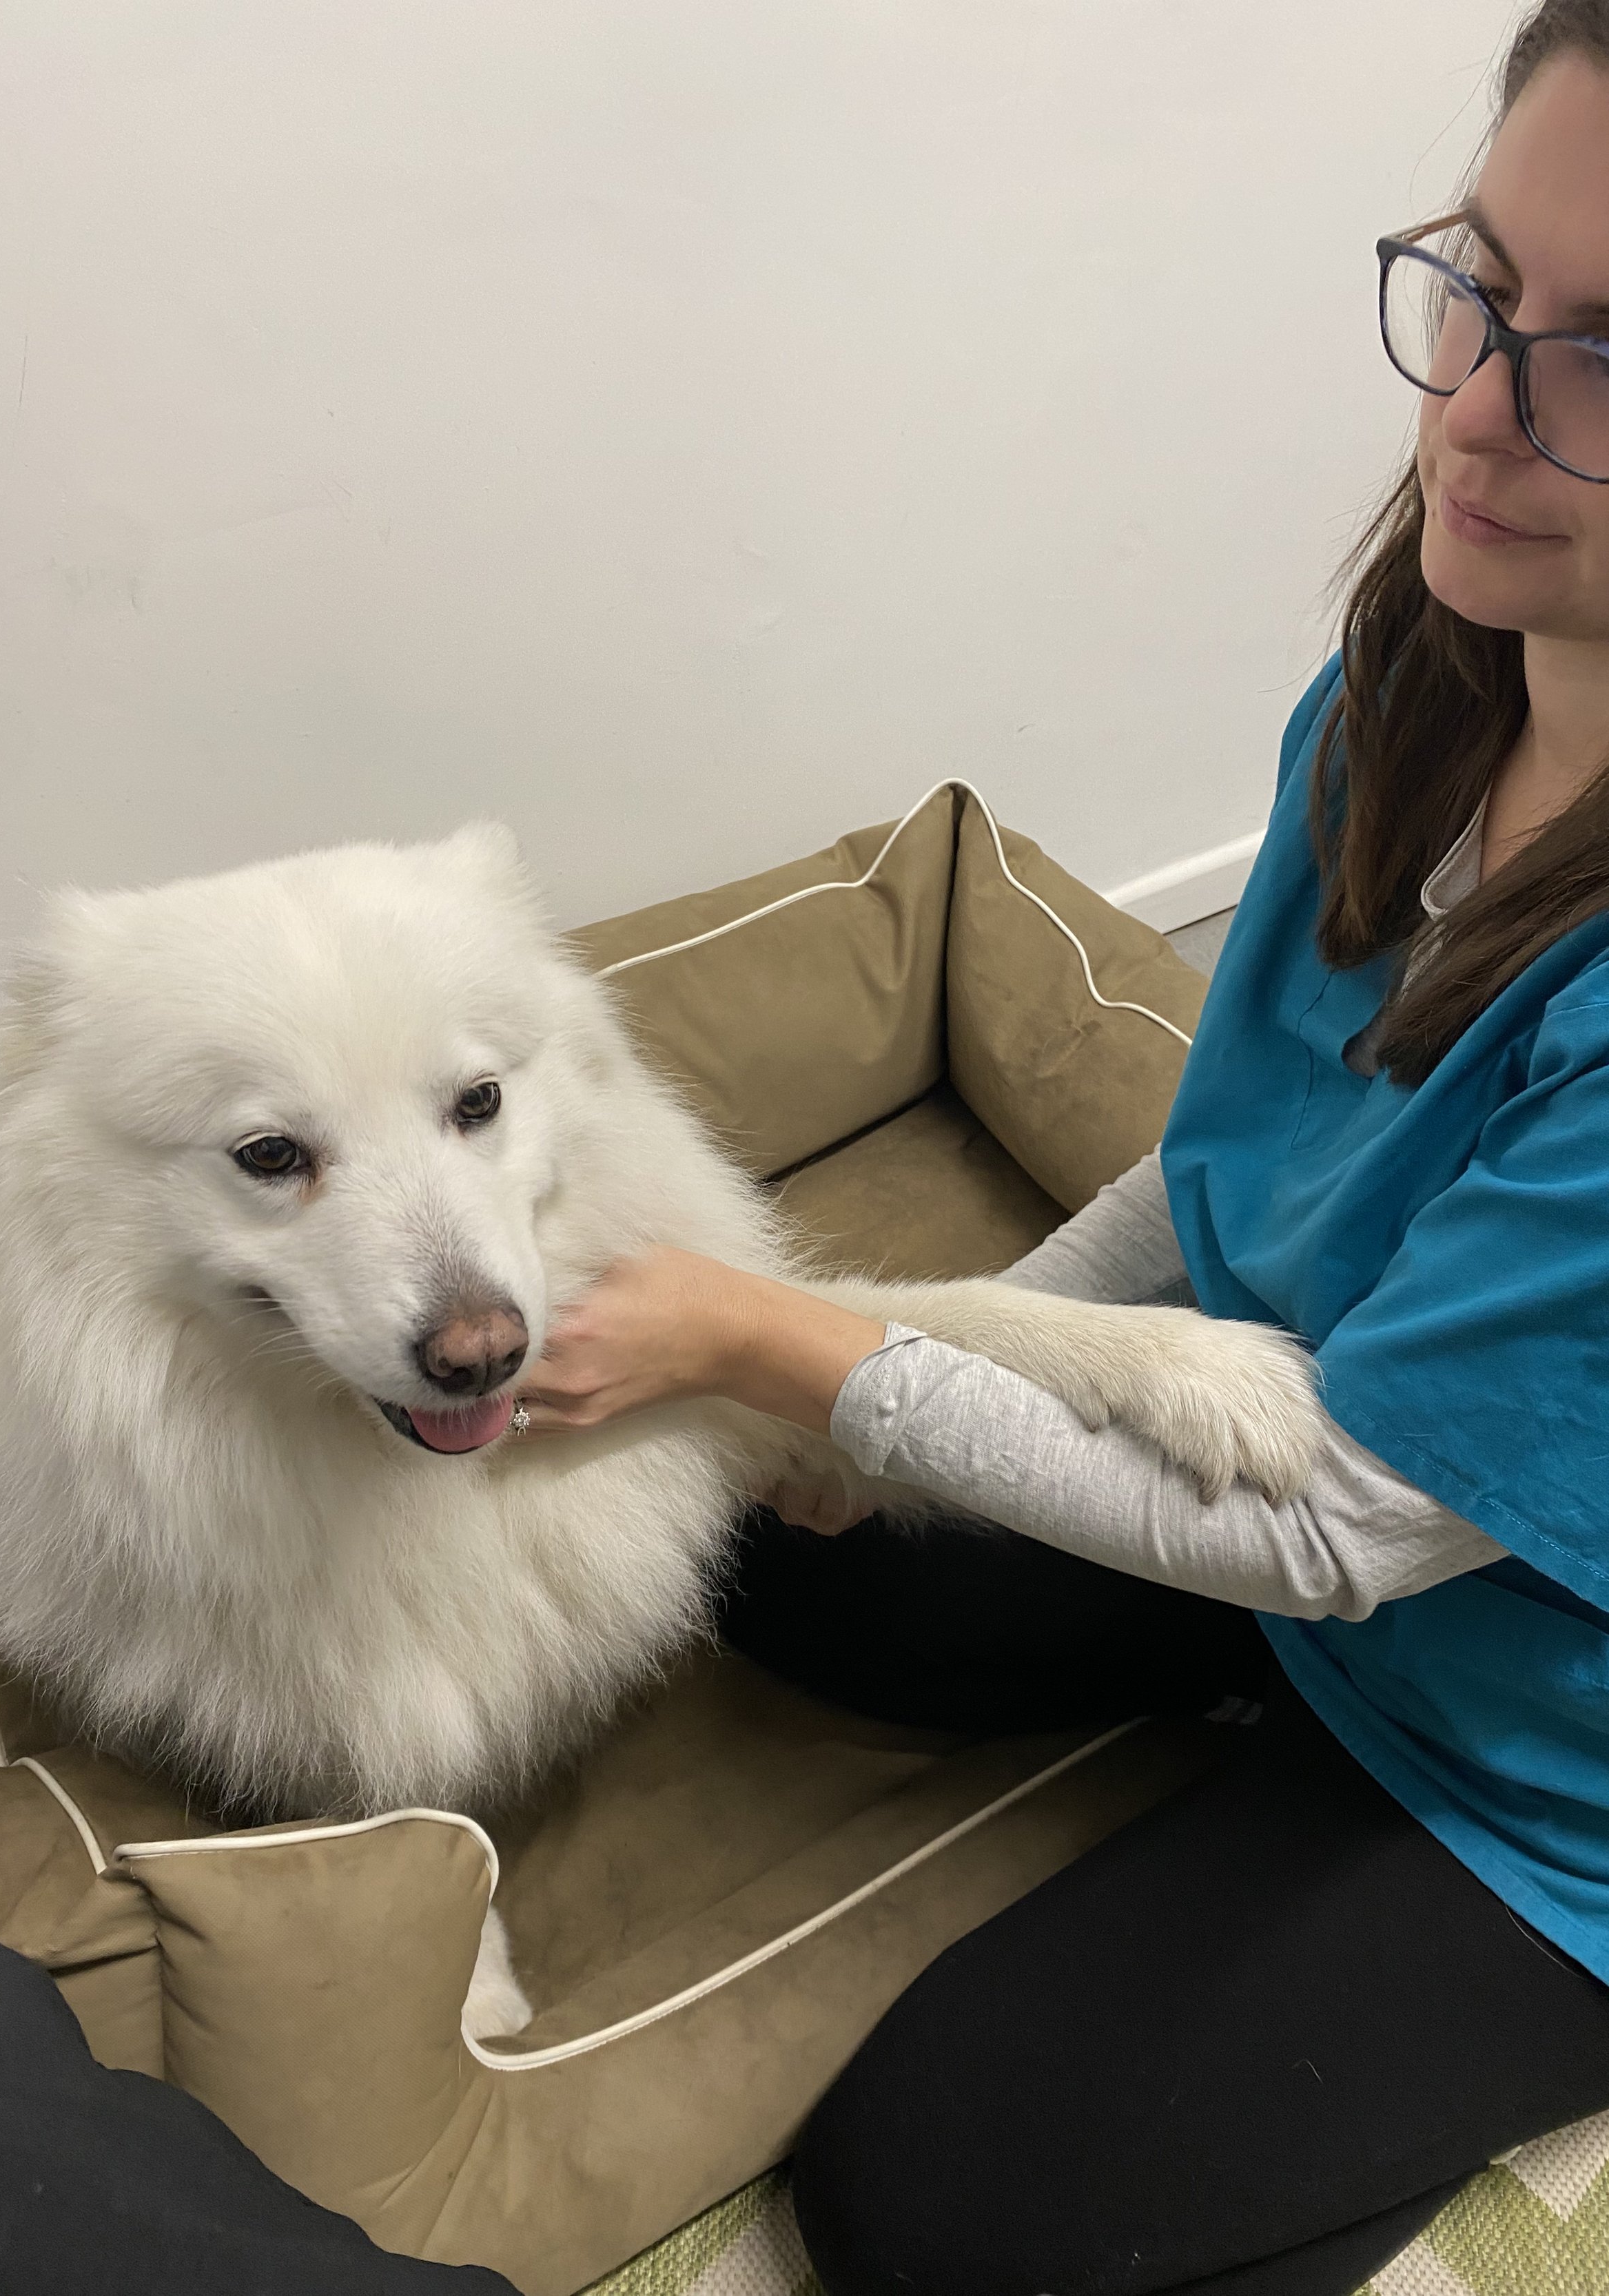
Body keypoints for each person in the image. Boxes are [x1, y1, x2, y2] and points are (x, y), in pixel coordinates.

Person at [516, 8, 1609, 2292]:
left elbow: (1332, 1532)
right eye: (1480, 291)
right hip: (1352, 1506)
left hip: (1532, 1752)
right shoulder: (1418, 676)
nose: (1473, 413)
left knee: (932, 2203)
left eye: (1607, 358)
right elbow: (1225, 1163)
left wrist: (777, 1340)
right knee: (786, 1550)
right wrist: (860, 1367)